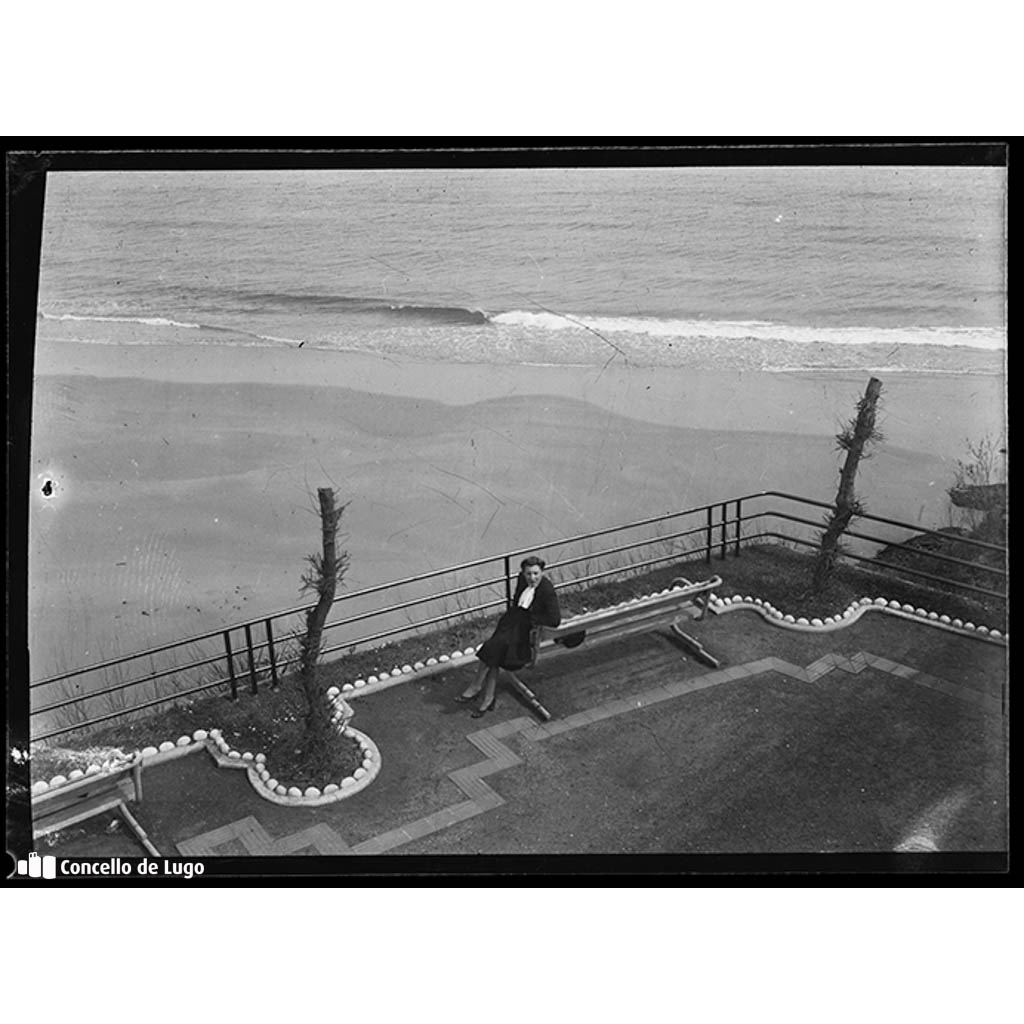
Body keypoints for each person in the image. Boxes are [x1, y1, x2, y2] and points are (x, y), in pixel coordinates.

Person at [456, 555, 561, 717]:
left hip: (524, 632)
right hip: (511, 622)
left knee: (492, 651)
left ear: (542, 572)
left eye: (535, 574)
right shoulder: (521, 580)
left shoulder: (547, 591)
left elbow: (554, 620)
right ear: (523, 573)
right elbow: (517, 599)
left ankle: (477, 687)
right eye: (528, 574)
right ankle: (487, 698)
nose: (532, 578)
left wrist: (531, 617)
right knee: (494, 654)